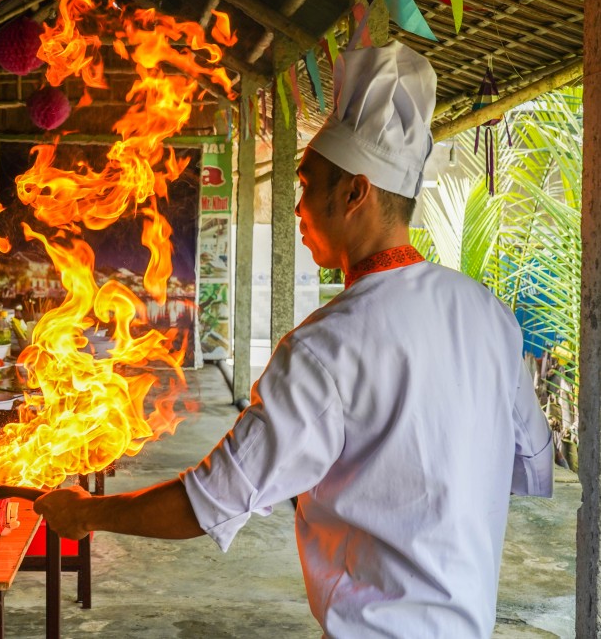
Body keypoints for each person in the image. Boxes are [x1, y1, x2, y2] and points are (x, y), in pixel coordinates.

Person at [34, 41, 554, 637]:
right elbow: (530, 462)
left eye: (307, 187)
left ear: (355, 192)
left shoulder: (324, 347)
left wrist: (84, 513)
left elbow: (207, 501)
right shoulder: (488, 314)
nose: (296, 208)